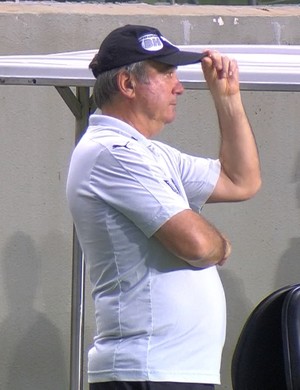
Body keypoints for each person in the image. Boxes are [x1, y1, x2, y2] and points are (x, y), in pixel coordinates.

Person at [66, 24, 261, 390]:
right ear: (128, 84)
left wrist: (227, 98)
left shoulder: (147, 152)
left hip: (168, 372)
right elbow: (199, 247)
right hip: (147, 371)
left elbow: (241, 180)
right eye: (167, 73)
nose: (180, 86)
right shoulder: (112, 152)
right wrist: (222, 244)